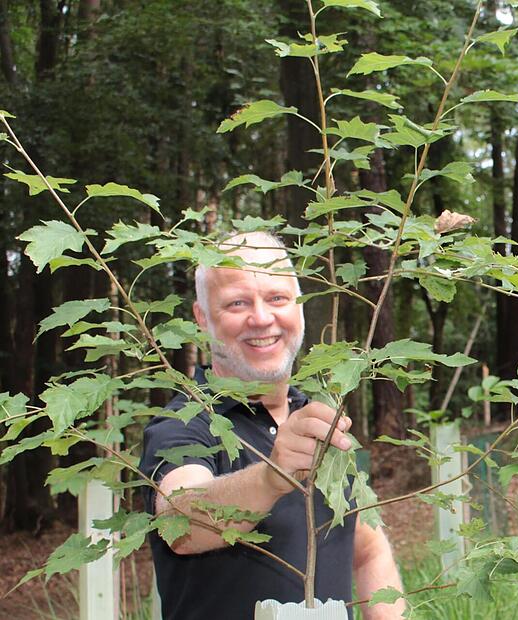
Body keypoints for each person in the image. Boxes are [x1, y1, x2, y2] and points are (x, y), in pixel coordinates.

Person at [139, 231, 404, 619]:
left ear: (298, 305)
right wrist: (270, 478)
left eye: (277, 298)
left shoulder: (320, 419)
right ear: (202, 317)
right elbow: (179, 524)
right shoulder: (183, 424)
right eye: (237, 302)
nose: (262, 318)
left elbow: (367, 549)